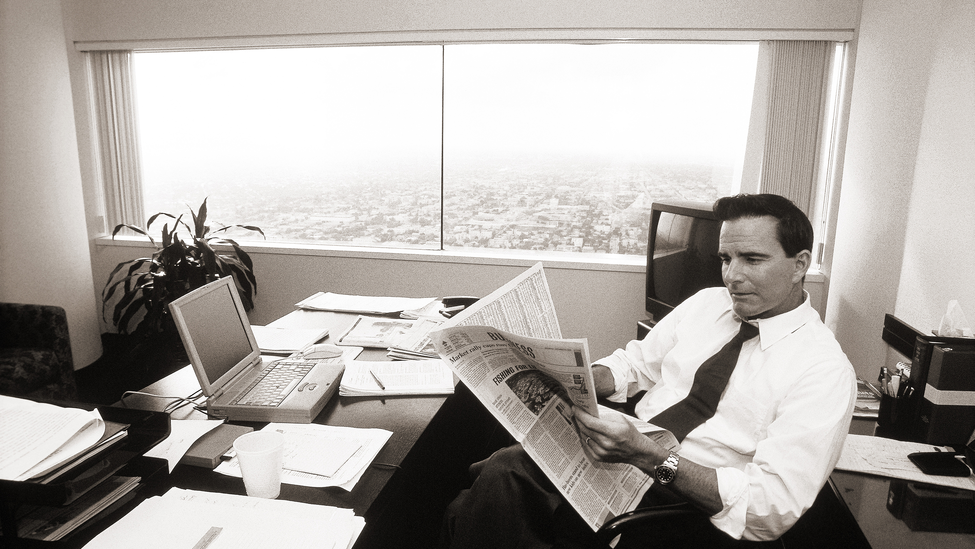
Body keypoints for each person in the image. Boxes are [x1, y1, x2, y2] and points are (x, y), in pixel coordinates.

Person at [438, 193, 857, 549]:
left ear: (800, 264)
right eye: (726, 258)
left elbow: (767, 508)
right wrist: (580, 378)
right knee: (501, 461)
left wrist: (650, 456)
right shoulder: (708, 303)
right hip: (632, 458)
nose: (733, 276)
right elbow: (635, 363)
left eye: (752, 259)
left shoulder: (823, 370)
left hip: (692, 507)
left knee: (503, 479)